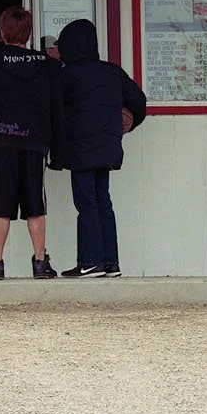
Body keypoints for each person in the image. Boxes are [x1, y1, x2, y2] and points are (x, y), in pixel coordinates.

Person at [0, 5, 65, 279]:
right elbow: (58, 105)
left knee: (1, 205)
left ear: (2, 32)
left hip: (2, 139)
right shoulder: (48, 66)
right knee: (35, 204)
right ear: (29, 34)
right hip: (35, 142)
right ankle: (41, 263)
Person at [53, 17, 146, 277]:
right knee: (103, 201)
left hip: (81, 148)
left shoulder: (66, 75)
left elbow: (53, 110)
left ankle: (90, 261)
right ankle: (110, 262)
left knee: (87, 204)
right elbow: (139, 101)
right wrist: (128, 124)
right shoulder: (112, 71)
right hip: (108, 147)